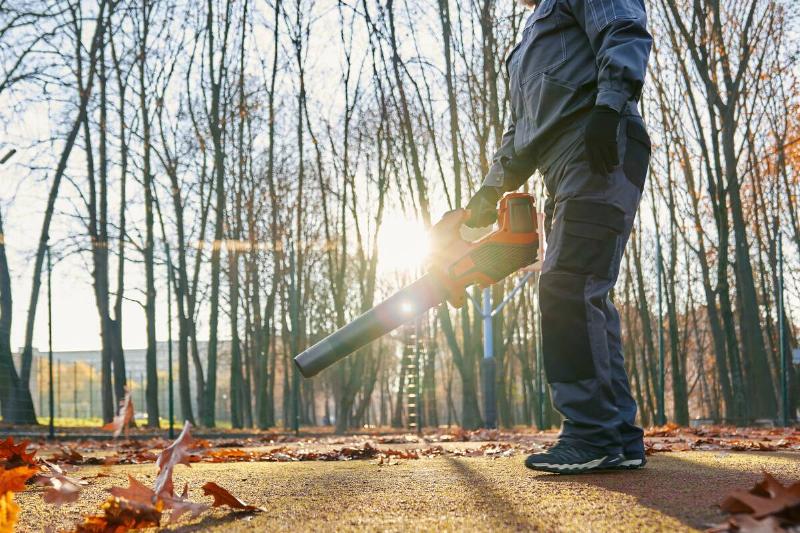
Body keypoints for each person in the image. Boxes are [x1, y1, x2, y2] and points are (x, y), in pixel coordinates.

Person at [465, 0, 653, 473]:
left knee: (569, 284)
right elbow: (522, 131)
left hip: (599, 143)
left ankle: (592, 434)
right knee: (581, 289)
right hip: (559, 163)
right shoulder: (527, 42)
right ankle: (618, 436)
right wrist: (488, 194)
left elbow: (624, 29)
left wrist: (610, 106)